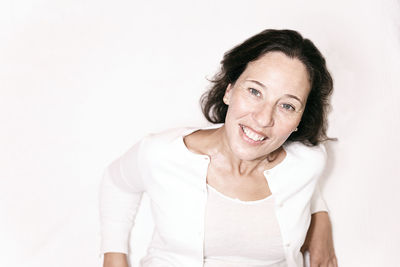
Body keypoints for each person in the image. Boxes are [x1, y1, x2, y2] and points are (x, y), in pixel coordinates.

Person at [100, 29, 338, 267]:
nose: (264, 118)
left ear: (301, 118)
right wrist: (113, 256)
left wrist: (319, 218)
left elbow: (303, 181)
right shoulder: (162, 153)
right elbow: (116, 182)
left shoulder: (308, 162)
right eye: (255, 91)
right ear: (229, 91)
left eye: (287, 105)